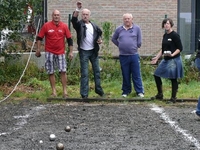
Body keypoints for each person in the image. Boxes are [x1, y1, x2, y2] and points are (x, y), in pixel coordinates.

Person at [35, 9, 73, 98]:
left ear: (60, 16)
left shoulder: (64, 26)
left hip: (61, 52)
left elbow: (69, 40)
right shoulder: (46, 26)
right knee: (50, 71)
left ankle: (65, 91)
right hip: (49, 52)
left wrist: (71, 52)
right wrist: (38, 49)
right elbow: (39, 38)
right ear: (52, 16)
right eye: (55, 15)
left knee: (63, 71)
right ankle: (54, 91)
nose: (56, 16)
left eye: (58, 15)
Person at [71, 2, 104, 99]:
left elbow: (99, 33)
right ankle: (84, 94)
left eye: (87, 14)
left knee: (97, 71)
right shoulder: (79, 25)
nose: (85, 16)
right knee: (85, 73)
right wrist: (77, 9)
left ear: (89, 16)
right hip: (84, 52)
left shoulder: (94, 25)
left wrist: (100, 39)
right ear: (82, 15)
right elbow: (73, 20)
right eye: (83, 14)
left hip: (93, 52)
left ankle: (99, 90)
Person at [151, 18, 183, 103]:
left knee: (173, 78)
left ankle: (173, 98)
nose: (166, 25)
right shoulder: (165, 36)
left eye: (168, 23)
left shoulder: (175, 35)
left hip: (174, 59)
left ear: (171, 25)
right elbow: (163, 49)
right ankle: (160, 94)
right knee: (156, 74)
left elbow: (180, 48)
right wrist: (156, 58)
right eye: (165, 24)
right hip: (166, 59)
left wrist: (172, 54)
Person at [111, 13, 144, 98]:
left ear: (132, 19)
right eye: (125, 19)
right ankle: (126, 91)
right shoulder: (119, 29)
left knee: (136, 74)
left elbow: (139, 40)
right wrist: (120, 45)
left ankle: (139, 91)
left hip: (134, 55)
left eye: (128, 18)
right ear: (123, 20)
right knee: (125, 74)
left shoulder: (137, 28)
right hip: (123, 55)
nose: (127, 20)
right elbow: (113, 39)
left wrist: (136, 45)